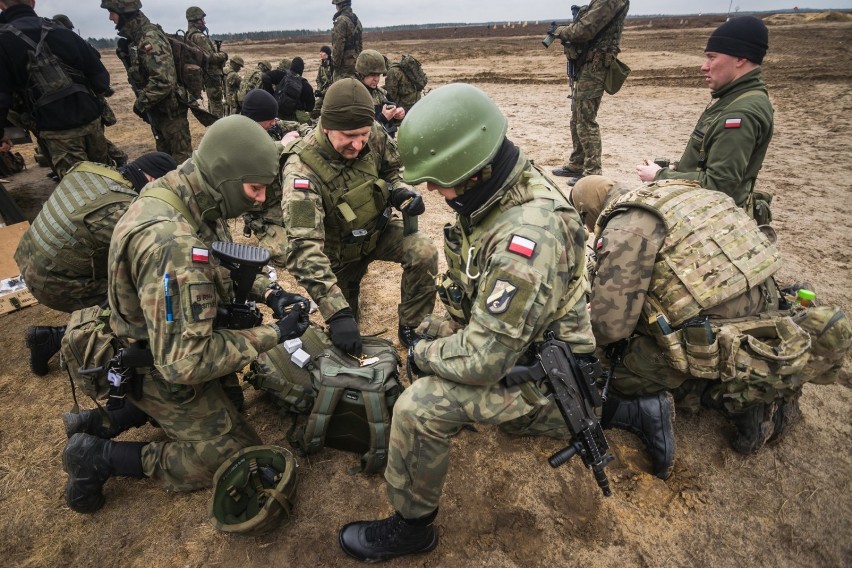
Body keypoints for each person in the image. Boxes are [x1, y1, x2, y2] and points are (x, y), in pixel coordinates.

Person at [338, 83, 596, 562]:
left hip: (547, 371)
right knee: (430, 334)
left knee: (418, 407)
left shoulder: (526, 237)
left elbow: (482, 359)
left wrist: (421, 356)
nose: (433, 191)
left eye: (438, 179)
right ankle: (622, 408)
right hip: (531, 342)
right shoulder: (504, 180)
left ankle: (412, 527)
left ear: (473, 169)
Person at [61, 115, 311, 514]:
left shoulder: (185, 194)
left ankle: (106, 420)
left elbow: (219, 264)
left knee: (231, 402)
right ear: (225, 177)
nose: (261, 199)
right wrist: (274, 334)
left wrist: (272, 293)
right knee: (232, 453)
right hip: (158, 362)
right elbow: (184, 363)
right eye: (254, 188)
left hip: (156, 342)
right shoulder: (170, 243)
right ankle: (97, 455)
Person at [574, 175, 825, 480]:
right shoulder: (678, 191)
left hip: (717, 336)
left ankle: (729, 396)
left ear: (588, 213)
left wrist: (591, 317)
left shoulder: (626, 225)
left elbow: (611, 329)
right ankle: (770, 383)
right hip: (771, 315)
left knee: (609, 372)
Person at [279, 78, 437, 351]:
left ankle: (412, 326)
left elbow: (393, 168)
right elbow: (303, 248)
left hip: (379, 230)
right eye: (349, 137)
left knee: (423, 251)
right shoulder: (301, 171)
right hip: (338, 255)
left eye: (362, 135)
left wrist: (400, 190)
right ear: (327, 128)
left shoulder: (372, 132)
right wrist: (336, 312)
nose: (358, 144)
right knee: (346, 328)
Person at [15, 152, 176, 376]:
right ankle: (53, 338)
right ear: (151, 180)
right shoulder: (124, 211)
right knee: (141, 296)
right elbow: (151, 266)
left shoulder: (95, 170)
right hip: (49, 283)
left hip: (27, 257)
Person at [635, 16, 773, 213]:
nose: (704, 66)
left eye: (712, 57)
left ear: (741, 58)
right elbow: (712, 163)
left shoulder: (740, 114)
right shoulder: (739, 97)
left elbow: (719, 186)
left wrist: (660, 176)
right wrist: (676, 169)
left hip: (708, 216)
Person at [0, 0, 113, 178]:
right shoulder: (62, 31)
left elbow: (2, 97)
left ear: (1, 5)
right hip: (92, 121)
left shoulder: (3, 41)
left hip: (55, 130)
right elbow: (101, 79)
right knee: (109, 178)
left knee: (82, 190)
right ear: (32, 2)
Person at [549, 0, 630, 186]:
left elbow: (585, 29)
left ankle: (592, 171)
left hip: (596, 65)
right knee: (577, 114)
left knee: (585, 118)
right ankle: (578, 162)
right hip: (588, 63)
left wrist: (561, 31)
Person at [101, 0, 192, 163]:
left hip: (171, 113)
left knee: (181, 164)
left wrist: (140, 104)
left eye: (111, 12)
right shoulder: (136, 39)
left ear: (123, 12)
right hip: (160, 111)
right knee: (166, 160)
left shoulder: (148, 38)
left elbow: (164, 81)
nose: (110, 18)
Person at [51, 12, 128, 169]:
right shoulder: (73, 42)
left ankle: (116, 160)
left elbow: (97, 69)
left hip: (81, 104)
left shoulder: (60, 43)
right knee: (95, 141)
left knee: (94, 142)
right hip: (86, 103)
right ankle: (115, 160)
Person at [186, 6, 229, 118]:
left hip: (205, 74)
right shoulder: (199, 37)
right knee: (216, 102)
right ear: (195, 20)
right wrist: (223, 55)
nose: (204, 22)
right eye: (201, 19)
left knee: (212, 101)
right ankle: (219, 129)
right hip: (211, 74)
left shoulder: (189, 35)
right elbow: (210, 57)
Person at [355, 49, 405, 137]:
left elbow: (395, 109)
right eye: (372, 75)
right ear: (362, 74)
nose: (376, 79)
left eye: (378, 75)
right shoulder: (355, 96)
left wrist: (399, 113)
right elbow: (358, 130)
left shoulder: (382, 94)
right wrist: (383, 118)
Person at [262, 56, 315, 123]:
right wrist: (300, 106)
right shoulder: (306, 86)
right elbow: (310, 107)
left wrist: (271, 95)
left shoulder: (282, 74)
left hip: (276, 112)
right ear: (302, 70)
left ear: (291, 66)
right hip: (293, 118)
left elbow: (265, 77)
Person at [330, 0, 362, 82]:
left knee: (340, 91)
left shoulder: (341, 20)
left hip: (344, 68)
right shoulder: (356, 20)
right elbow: (360, 45)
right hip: (356, 65)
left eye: (336, 5)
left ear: (340, 5)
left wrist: (335, 66)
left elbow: (338, 47)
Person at [313, 45, 333, 119]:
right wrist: (319, 90)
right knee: (315, 108)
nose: (320, 54)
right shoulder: (321, 66)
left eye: (322, 52)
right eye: (320, 52)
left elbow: (333, 83)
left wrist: (322, 93)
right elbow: (318, 80)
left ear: (327, 54)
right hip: (323, 93)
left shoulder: (332, 66)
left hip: (331, 92)